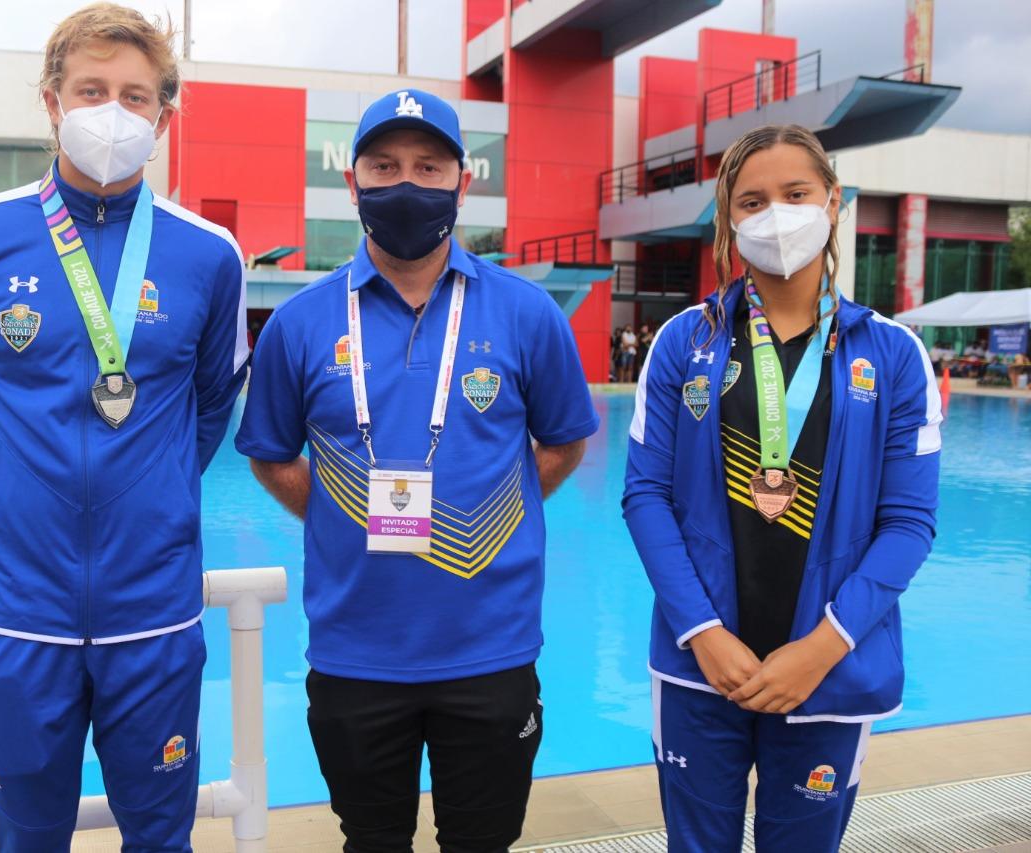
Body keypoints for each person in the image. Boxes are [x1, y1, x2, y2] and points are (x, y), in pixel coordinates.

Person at [0, 5, 247, 850]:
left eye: (136, 96)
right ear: (52, 102)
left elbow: (210, 407)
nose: (112, 111)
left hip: (153, 614)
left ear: (164, 117)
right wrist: (6, 497)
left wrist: (151, 494)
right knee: (27, 837)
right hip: (19, 612)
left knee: (163, 837)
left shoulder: (209, 256)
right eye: (91, 89)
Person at [235, 88, 598, 852]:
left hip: (490, 649)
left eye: (429, 166)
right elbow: (270, 454)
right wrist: (346, 515)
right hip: (354, 653)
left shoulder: (527, 313)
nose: (407, 182)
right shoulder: (300, 322)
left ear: (463, 183)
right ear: (354, 180)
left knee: (483, 841)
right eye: (386, 164)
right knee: (371, 841)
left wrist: (495, 514)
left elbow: (563, 444)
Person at [623, 124, 941, 853]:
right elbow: (645, 495)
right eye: (753, 201)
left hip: (829, 668)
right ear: (730, 223)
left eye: (795, 194)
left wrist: (822, 646)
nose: (776, 215)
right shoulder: (684, 342)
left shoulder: (892, 355)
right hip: (703, 666)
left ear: (833, 202)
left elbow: (910, 523)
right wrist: (702, 632)